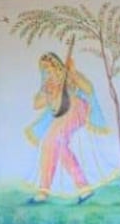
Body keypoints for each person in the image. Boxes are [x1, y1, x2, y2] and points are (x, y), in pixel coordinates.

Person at [24, 50, 110, 204]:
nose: (47, 72)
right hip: (63, 113)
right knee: (53, 145)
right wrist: (49, 93)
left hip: (77, 108)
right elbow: (36, 104)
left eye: (49, 67)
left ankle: (45, 191)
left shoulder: (67, 74)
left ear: (56, 65)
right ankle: (80, 189)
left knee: (52, 141)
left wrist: (73, 73)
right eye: (44, 69)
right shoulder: (48, 84)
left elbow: (89, 89)